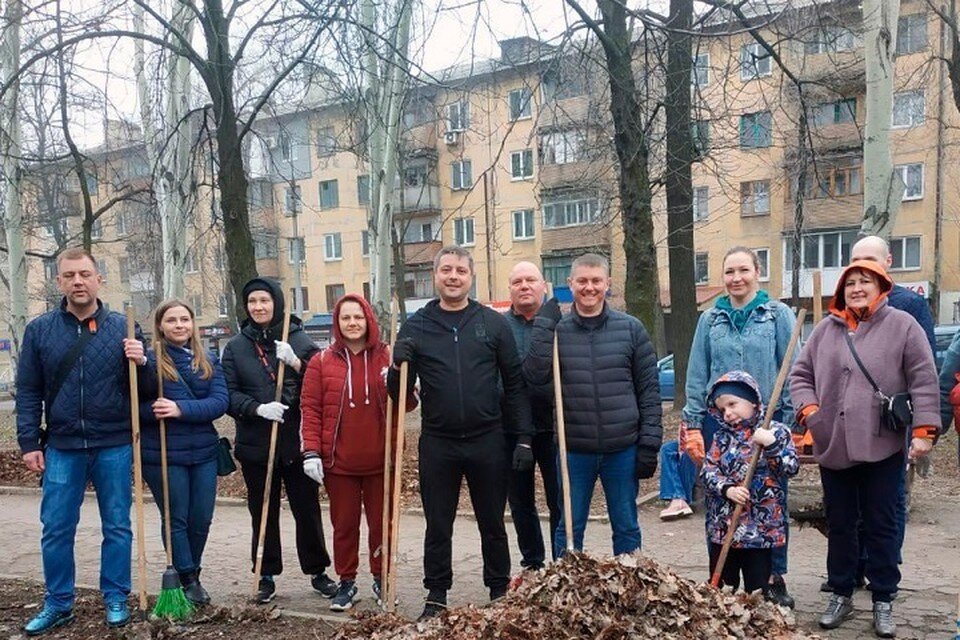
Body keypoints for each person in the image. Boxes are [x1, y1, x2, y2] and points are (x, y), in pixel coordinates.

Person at [789, 259, 939, 637]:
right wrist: (810, 412)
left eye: (865, 282)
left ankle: (884, 596)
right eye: (851, 282)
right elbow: (800, 375)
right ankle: (840, 591)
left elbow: (924, 377)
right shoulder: (825, 330)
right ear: (842, 290)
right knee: (840, 523)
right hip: (834, 443)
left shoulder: (903, 326)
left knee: (882, 524)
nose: (857, 288)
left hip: (882, 445)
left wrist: (924, 430)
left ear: (881, 286)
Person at [388, 246, 534, 621]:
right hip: (439, 441)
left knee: (492, 520)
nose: (453, 277)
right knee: (438, 522)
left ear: (471, 277)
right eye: (446, 270)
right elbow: (402, 396)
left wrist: (523, 437)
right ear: (436, 275)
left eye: (460, 271)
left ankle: (499, 590)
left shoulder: (493, 323)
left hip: (488, 438)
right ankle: (436, 594)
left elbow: (515, 385)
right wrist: (396, 366)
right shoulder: (417, 326)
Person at [16, 247, 153, 635]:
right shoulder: (40, 330)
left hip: (113, 443)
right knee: (57, 526)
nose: (78, 281)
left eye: (85, 274)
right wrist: (29, 442)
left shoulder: (123, 328)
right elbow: (28, 391)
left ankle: (115, 596)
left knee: (117, 525)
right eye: (69, 275)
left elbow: (144, 389)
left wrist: (142, 361)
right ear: (59, 281)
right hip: (62, 446)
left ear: (98, 279)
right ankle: (59, 602)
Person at [665, 246, 797, 607]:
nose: (736, 278)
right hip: (719, 422)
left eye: (743, 270)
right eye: (729, 272)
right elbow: (696, 372)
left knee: (769, 501)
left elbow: (791, 369)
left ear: (757, 272)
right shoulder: (710, 320)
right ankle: (720, 576)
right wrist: (693, 423)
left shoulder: (776, 315)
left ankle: (772, 577)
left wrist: (786, 422)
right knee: (720, 497)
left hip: (765, 423)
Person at [524, 253, 662, 559]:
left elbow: (649, 391)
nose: (589, 287)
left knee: (626, 525)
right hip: (573, 449)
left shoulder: (631, 329)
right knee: (569, 527)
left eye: (596, 281)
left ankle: (629, 587)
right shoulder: (557, 331)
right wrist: (544, 327)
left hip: (622, 448)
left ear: (608, 284)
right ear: (570, 284)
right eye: (582, 281)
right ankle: (566, 589)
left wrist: (649, 445)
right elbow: (533, 378)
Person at [221, 277, 336, 604]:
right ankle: (265, 573)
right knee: (262, 511)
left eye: (264, 301)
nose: (258, 307)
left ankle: (318, 571)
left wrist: (297, 363)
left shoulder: (298, 340)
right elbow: (228, 395)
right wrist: (257, 408)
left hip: (298, 443)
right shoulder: (236, 347)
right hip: (257, 445)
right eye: (252, 301)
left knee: (307, 510)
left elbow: (323, 383)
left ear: (277, 303)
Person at [300, 294, 417, 611]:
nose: (352, 323)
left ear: (369, 320)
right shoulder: (321, 362)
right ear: (337, 323)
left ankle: (382, 578)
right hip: (340, 463)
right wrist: (311, 451)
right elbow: (310, 410)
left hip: (382, 460)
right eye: (345, 318)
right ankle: (347, 581)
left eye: (358, 317)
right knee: (345, 526)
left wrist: (400, 378)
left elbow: (408, 404)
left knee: (382, 525)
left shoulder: (389, 356)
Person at [837, 235, 936, 594]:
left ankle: (885, 569)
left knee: (888, 501)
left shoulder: (910, 305)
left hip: (891, 421)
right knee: (853, 501)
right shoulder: (844, 306)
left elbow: (923, 368)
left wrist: (922, 427)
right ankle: (854, 569)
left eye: (871, 260)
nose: (863, 269)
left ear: (889, 262)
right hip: (850, 422)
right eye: (856, 261)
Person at [140, 299, 229, 606]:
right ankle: (188, 578)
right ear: (161, 327)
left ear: (193, 324)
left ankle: (190, 570)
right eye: (172, 320)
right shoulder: (150, 363)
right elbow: (133, 407)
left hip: (203, 451)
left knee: (201, 518)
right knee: (176, 517)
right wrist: (156, 412)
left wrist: (180, 408)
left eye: (184, 320)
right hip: (164, 453)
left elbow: (219, 403)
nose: (179, 325)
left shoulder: (208, 360)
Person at [702, 371, 798, 596]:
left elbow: (790, 469)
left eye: (732, 404)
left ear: (753, 402)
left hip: (759, 531)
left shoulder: (777, 432)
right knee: (724, 587)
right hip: (724, 528)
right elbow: (708, 472)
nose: (728, 413)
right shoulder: (721, 438)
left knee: (757, 588)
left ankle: (758, 615)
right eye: (722, 409)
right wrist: (727, 489)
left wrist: (771, 446)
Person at [503, 262, 560, 570]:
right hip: (512, 430)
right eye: (517, 281)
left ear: (543, 285)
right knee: (521, 502)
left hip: (554, 428)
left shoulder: (560, 323)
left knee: (559, 499)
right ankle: (532, 562)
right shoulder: (500, 326)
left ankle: (561, 561)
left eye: (530, 280)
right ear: (510, 289)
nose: (524, 286)